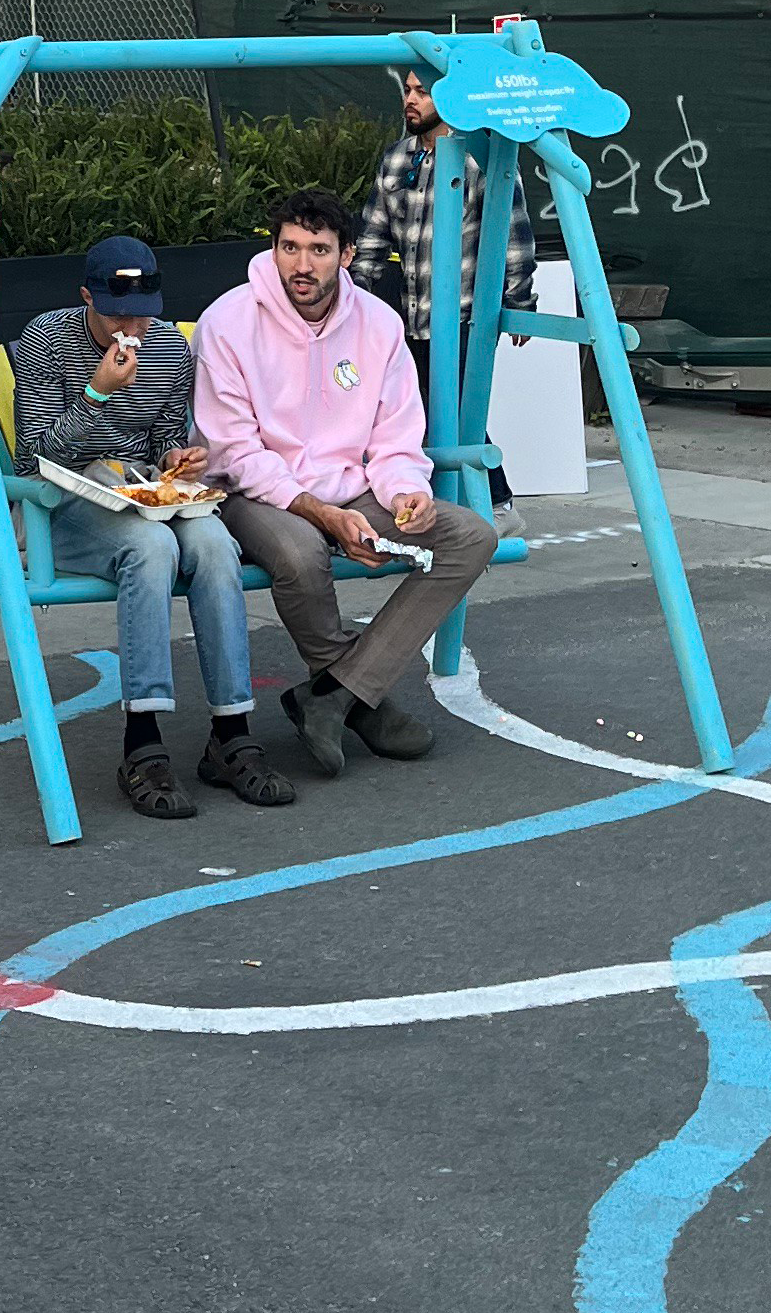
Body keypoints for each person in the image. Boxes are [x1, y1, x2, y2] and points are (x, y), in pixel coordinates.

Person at [196, 187, 497, 783]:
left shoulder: (379, 324)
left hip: (352, 489)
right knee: (301, 553)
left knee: (469, 536)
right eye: (288, 247)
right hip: (256, 492)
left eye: (318, 249)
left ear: (348, 254)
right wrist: (322, 515)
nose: (301, 265)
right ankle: (361, 699)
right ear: (273, 249)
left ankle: (333, 696)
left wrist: (406, 490)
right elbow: (235, 452)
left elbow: (394, 439)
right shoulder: (227, 321)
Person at [9, 237, 290, 819]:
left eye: (143, 311)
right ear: (86, 296)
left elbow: (164, 439)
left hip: (138, 489)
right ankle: (142, 743)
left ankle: (231, 730)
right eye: (116, 313)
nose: (132, 327)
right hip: (62, 499)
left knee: (214, 543)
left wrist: (177, 458)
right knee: (151, 546)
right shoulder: (45, 342)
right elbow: (32, 460)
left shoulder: (169, 346)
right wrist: (95, 392)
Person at [350, 66, 535, 535]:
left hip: (466, 314)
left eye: (422, 92)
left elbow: (513, 231)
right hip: (412, 314)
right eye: (407, 90)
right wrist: (355, 305)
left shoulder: (482, 159)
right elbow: (371, 238)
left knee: (453, 412)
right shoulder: (396, 159)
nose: (410, 100)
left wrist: (518, 302)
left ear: (450, 96)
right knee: (423, 412)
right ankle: (457, 504)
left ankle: (498, 505)